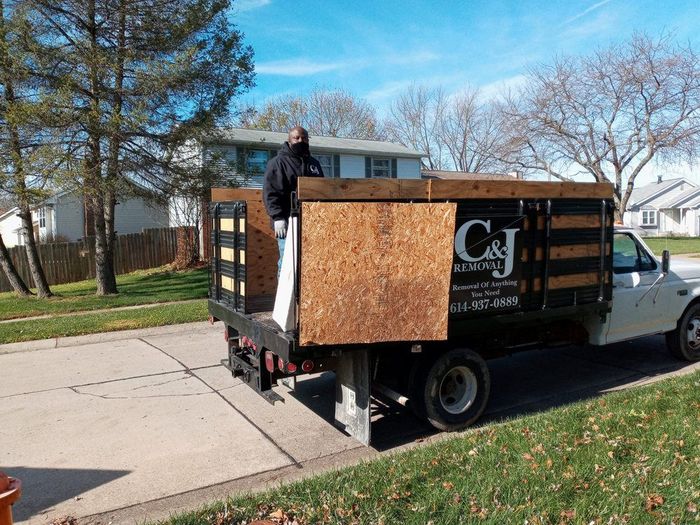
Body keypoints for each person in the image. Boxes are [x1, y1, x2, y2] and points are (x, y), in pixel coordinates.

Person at [263, 126, 324, 274]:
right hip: (286, 222)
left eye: (304, 138)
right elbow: (270, 192)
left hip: (311, 223)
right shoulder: (277, 163)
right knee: (286, 264)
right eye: (296, 138)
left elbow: (322, 190)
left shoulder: (314, 164)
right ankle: (285, 298)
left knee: (310, 263)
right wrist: (277, 217)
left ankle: (302, 297)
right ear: (289, 140)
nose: (300, 140)